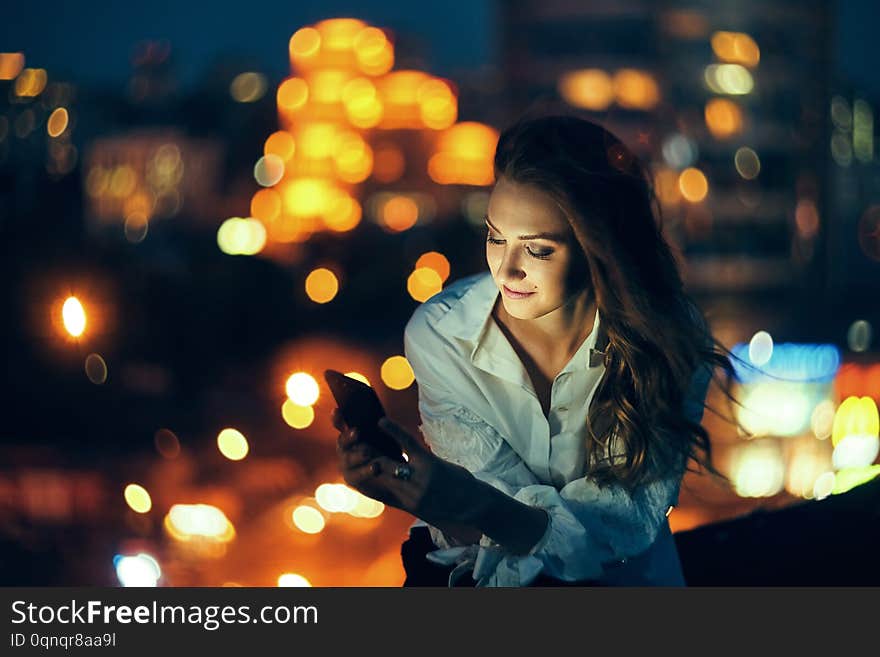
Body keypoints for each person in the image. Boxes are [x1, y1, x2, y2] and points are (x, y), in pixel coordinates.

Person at [333, 114, 734, 587]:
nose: (506, 271)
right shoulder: (443, 335)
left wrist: (472, 503)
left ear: (599, 248)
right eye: (495, 238)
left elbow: (621, 527)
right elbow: (486, 538)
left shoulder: (667, 335)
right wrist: (424, 498)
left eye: (538, 250)